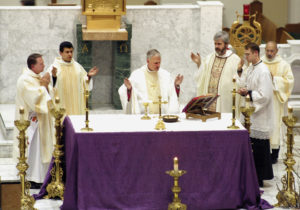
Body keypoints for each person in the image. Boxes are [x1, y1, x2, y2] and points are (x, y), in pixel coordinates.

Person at [14, 53, 55, 186]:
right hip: (31, 122)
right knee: (35, 151)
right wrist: (43, 86)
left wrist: (47, 85)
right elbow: (34, 99)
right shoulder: (25, 79)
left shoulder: (37, 77)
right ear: (33, 66)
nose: (44, 65)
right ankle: (33, 178)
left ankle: (42, 177)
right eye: (41, 63)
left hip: (41, 121)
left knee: (41, 150)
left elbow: (48, 95)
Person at [237, 43, 274, 187]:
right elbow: (245, 83)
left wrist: (249, 93)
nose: (245, 57)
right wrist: (244, 88)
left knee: (259, 148)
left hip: (259, 115)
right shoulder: (251, 68)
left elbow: (265, 95)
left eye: (247, 54)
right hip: (250, 113)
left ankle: (259, 178)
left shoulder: (263, 71)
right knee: (251, 146)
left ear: (256, 53)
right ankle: (251, 176)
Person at [118, 49, 183, 114]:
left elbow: (172, 93)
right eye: (156, 63)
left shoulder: (165, 75)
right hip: (144, 116)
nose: (158, 65)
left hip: (162, 115)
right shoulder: (137, 75)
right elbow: (122, 91)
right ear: (148, 61)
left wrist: (176, 85)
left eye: (159, 62)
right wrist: (129, 89)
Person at [191, 31, 241, 113]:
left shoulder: (235, 60)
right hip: (209, 101)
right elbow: (202, 75)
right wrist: (199, 64)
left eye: (219, 44)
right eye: (215, 44)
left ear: (226, 44)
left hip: (225, 101)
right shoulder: (210, 58)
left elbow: (241, 81)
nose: (216, 46)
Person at [262, 41, 294, 164]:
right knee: (262, 127)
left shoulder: (283, 65)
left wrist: (274, 79)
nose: (269, 53)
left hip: (276, 101)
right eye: (267, 50)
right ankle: (262, 153)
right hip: (263, 102)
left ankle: (274, 155)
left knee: (274, 127)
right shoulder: (259, 62)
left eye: (272, 51)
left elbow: (289, 81)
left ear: (277, 51)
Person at [48, 41, 99, 115]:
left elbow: (84, 83)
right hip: (62, 104)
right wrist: (54, 76)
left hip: (76, 104)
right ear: (61, 53)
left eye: (71, 51)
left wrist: (89, 76)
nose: (70, 54)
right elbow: (49, 86)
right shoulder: (54, 67)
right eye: (67, 52)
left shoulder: (78, 67)